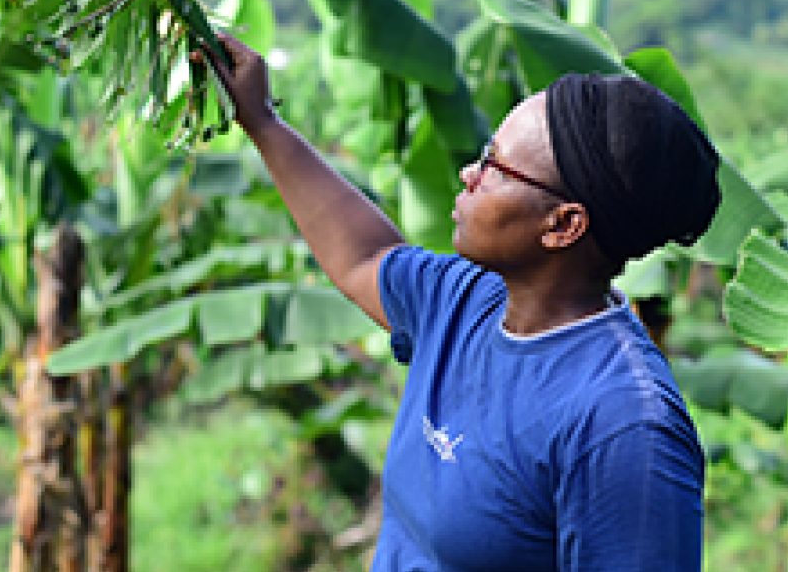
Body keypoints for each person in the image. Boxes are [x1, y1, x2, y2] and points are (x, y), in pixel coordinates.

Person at [194, 33, 722, 572]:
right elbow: (364, 256)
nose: (471, 175)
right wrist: (260, 120)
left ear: (563, 226)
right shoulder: (469, 299)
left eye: (496, 166)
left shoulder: (623, 425)